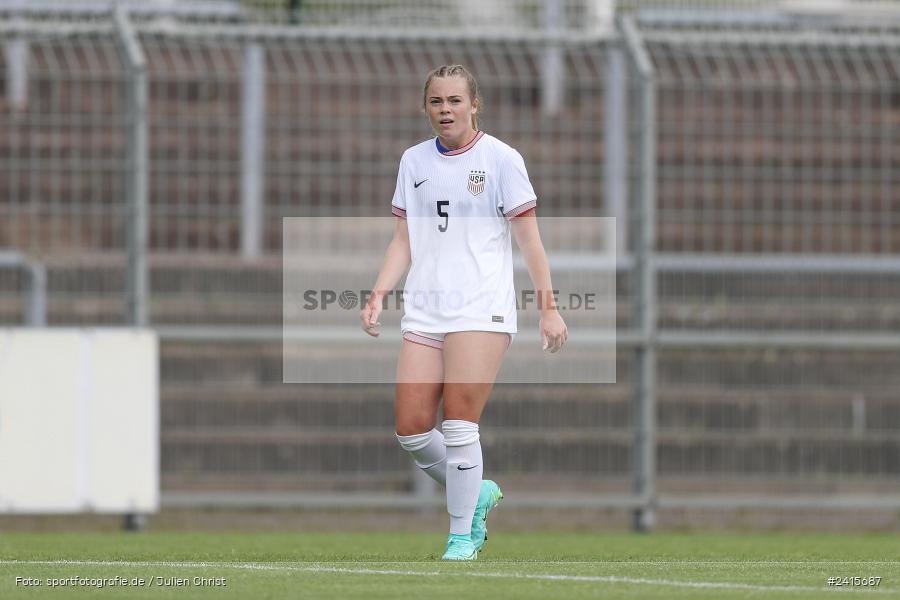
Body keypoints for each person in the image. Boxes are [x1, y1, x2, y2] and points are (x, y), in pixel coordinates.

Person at [360, 64, 567, 561]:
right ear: (425, 107)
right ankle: (477, 492)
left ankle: (460, 537)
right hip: (427, 309)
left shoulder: (501, 160)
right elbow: (404, 240)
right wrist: (378, 293)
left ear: (475, 105)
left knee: (458, 425)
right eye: (436, 102)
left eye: (455, 101)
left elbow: (531, 242)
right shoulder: (413, 161)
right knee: (411, 430)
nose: (445, 110)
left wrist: (549, 309)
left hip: (481, 309)